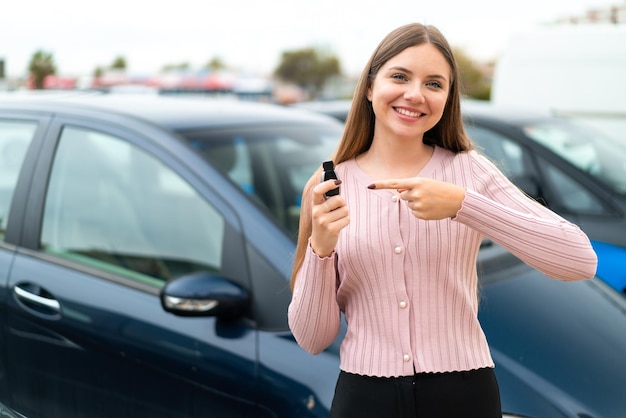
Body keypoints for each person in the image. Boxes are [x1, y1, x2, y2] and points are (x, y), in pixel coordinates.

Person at [287, 22, 598, 418]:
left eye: (434, 84)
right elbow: (312, 338)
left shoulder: (469, 173)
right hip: (364, 399)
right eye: (400, 76)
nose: (415, 94)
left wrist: (464, 205)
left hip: (465, 396)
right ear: (369, 86)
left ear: (448, 98)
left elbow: (580, 261)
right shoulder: (329, 184)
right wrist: (321, 249)